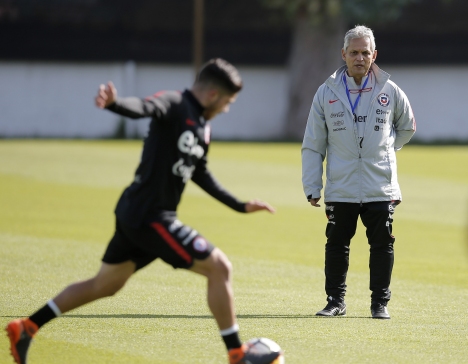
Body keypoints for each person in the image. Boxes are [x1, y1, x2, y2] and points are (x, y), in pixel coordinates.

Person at [5, 58, 282, 364]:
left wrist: (240, 206)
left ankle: (27, 327)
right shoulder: (175, 103)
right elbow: (144, 106)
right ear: (215, 95)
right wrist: (115, 104)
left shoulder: (203, 127)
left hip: (137, 214)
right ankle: (236, 354)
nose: (227, 108)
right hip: (151, 216)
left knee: (105, 285)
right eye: (228, 102)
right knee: (220, 268)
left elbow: (200, 173)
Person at [302, 25, 416, 319]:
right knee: (336, 245)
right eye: (354, 52)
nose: (360, 57)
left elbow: (407, 127)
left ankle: (380, 304)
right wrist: (312, 185)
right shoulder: (326, 92)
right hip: (341, 186)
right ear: (343, 54)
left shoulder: (389, 90)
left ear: (374, 54)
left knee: (382, 245)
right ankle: (335, 302)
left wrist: (388, 148)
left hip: (380, 185)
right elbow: (313, 144)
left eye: (366, 52)